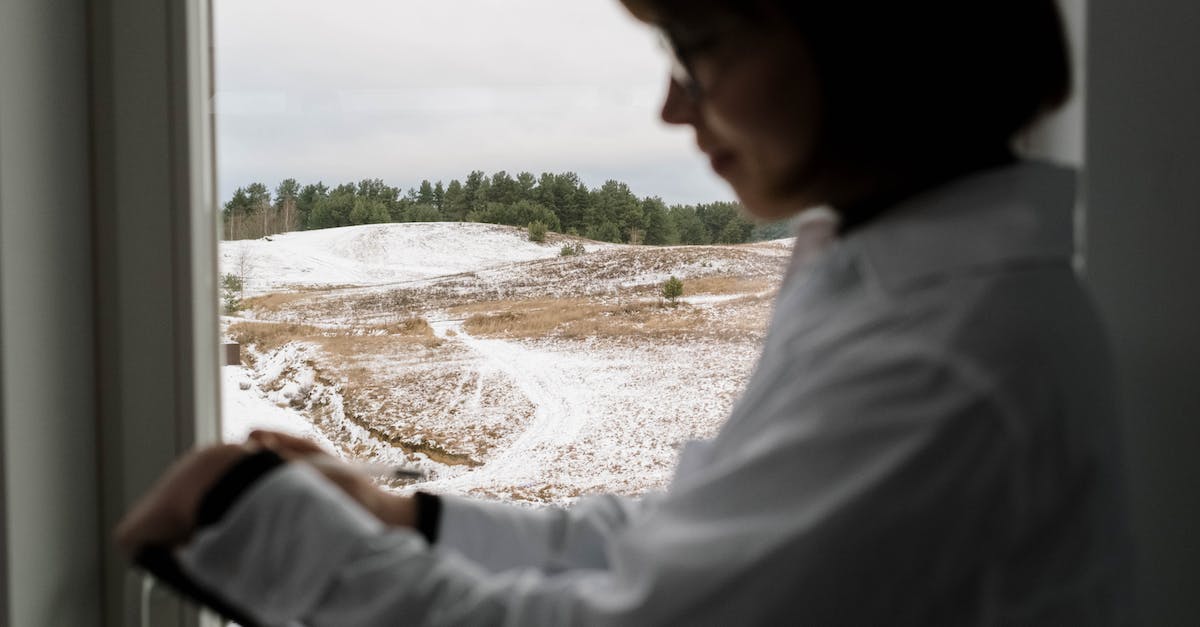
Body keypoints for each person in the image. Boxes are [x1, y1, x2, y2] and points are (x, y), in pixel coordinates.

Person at [116, 0, 1135, 624]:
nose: (673, 109)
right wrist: (412, 519)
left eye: (703, 47)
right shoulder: (911, 293)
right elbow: (698, 542)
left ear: (870, 34)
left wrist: (255, 519)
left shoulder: (945, 361)